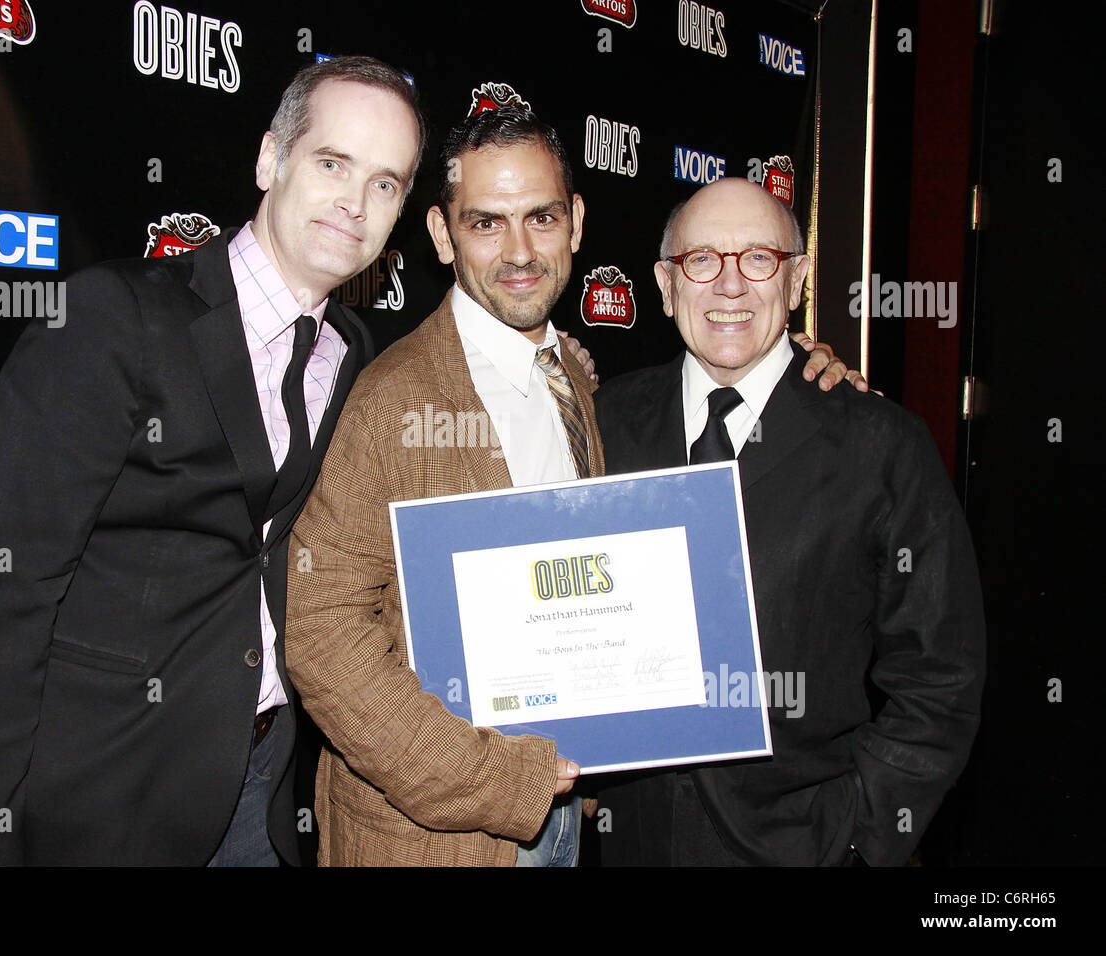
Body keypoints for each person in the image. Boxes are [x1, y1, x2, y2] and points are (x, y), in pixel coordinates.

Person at [284, 111, 858, 866]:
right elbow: (320, 627)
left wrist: (801, 371)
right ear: (441, 233)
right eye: (486, 223)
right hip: (439, 838)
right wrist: (494, 780)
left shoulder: (583, 386)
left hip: (571, 819)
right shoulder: (395, 400)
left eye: (541, 217)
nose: (519, 252)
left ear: (576, 221)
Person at [0, 55, 426, 866]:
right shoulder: (113, 318)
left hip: (261, 788)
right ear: (270, 159)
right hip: (101, 792)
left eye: (387, 183)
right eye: (333, 163)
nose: (356, 204)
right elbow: (0, 599)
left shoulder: (353, 354)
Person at [594, 178, 985, 866]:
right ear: (663, 283)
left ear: (797, 277)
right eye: (703, 259)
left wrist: (859, 830)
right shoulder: (605, 424)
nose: (731, 284)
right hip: (633, 840)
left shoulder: (880, 444)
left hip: (805, 846)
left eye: (759, 259)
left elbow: (941, 675)